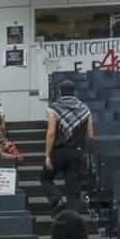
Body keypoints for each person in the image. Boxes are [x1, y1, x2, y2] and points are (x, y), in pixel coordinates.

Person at [40, 80, 93, 214]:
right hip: (76, 152)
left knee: (45, 178)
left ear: (59, 93)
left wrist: (47, 155)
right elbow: (90, 135)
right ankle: (72, 218)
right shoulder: (85, 109)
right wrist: (84, 151)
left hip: (58, 152)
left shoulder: (54, 108)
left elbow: (51, 132)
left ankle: (57, 202)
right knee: (73, 191)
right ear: (74, 92)